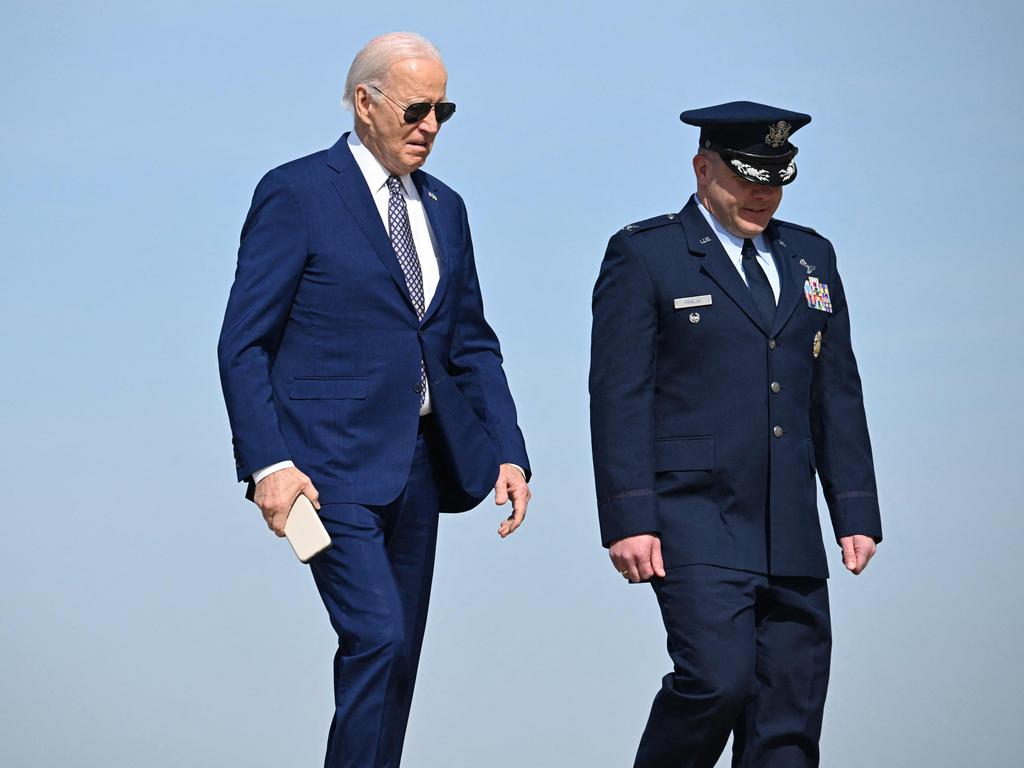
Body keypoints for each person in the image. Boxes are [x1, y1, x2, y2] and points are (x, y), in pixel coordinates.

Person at [217, 32, 531, 768]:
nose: (431, 126)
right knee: (376, 636)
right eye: (417, 108)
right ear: (365, 104)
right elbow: (242, 344)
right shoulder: (295, 193)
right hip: (321, 476)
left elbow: (471, 342)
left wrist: (508, 449)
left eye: (443, 110)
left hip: (422, 468)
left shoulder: (447, 209)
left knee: (398, 662)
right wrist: (268, 465)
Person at [589, 101, 881, 767]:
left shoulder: (812, 256)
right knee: (717, 682)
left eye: (775, 179)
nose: (762, 193)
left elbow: (835, 390)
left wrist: (854, 510)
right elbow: (619, 395)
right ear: (702, 169)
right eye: (748, 176)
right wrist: (629, 516)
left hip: (791, 524)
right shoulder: (645, 255)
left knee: (789, 719)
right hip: (695, 516)